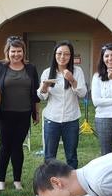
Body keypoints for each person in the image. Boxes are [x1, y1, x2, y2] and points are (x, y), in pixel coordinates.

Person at [0, 36, 41, 191]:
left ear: (23, 52)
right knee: (5, 145)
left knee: (17, 146)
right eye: (13, 51)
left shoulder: (31, 68)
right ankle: (1, 180)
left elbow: (35, 92)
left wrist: (36, 113)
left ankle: (17, 180)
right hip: (4, 113)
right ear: (8, 51)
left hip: (24, 113)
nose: (16, 54)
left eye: (19, 51)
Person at [37, 41, 87, 169]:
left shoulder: (77, 71)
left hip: (71, 119)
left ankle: (72, 183)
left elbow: (82, 93)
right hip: (52, 119)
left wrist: (72, 80)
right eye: (59, 53)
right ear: (55, 55)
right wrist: (44, 87)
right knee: (49, 156)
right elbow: (42, 96)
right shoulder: (47, 72)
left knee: (71, 155)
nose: (62, 57)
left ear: (71, 56)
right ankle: (49, 184)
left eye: (66, 54)